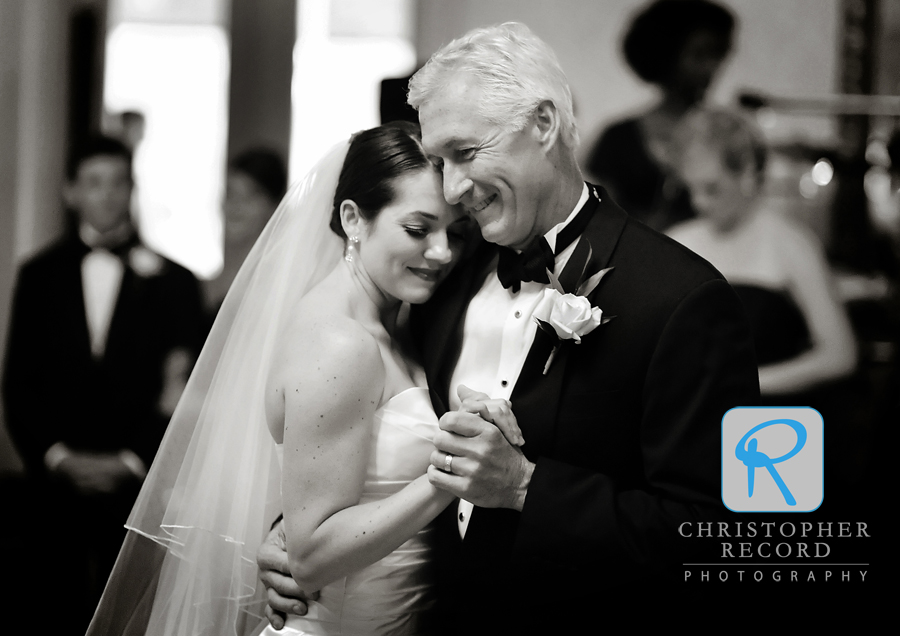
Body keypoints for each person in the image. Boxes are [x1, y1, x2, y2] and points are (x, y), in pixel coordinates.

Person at [258, 22, 760, 632]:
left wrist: (526, 487)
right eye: (439, 161)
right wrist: (295, 538)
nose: (451, 188)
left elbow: (732, 537)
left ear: (544, 125)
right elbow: (362, 435)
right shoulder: (444, 276)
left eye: (466, 154)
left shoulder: (684, 298)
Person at [86, 121, 497, 636]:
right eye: (418, 230)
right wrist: (448, 480)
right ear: (353, 218)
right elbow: (311, 554)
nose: (442, 252)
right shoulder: (339, 343)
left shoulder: (396, 320)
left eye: (454, 234)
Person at [3, 135, 203, 634]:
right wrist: (57, 456)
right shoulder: (37, 275)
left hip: (142, 490)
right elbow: (18, 383)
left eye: (118, 183)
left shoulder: (176, 283)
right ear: (71, 192)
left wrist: (132, 460)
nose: (108, 196)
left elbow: (183, 393)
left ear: (131, 189)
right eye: (94, 183)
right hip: (53, 489)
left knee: (132, 619)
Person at [666, 108, 857, 400]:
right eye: (691, 189)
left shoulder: (792, 244)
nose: (699, 203)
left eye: (712, 189)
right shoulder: (677, 242)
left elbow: (839, 355)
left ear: (747, 171)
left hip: (766, 422)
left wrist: (746, 382)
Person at [584, 0, 735, 231]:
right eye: (699, 54)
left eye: (717, 54)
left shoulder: (729, 134)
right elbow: (600, 222)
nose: (710, 67)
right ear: (667, 56)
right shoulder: (618, 139)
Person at [202, 148, 288, 330]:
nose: (235, 206)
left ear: (274, 207)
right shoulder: (204, 282)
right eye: (230, 194)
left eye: (250, 196)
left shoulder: (278, 285)